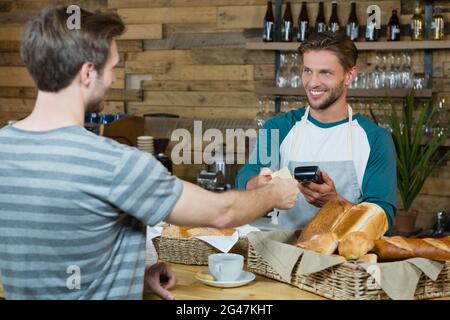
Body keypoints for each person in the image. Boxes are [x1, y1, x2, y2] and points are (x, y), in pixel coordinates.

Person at [0, 6, 300, 300]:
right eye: (112, 68)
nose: (114, 80)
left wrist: (128, 276)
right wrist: (273, 194)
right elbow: (222, 213)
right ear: (88, 72)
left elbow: (49, 253)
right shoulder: (114, 162)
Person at [236, 31, 397, 230]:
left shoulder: (375, 139)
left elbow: (383, 218)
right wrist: (260, 185)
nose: (312, 82)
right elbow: (245, 177)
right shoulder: (277, 128)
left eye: (325, 73)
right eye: (307, 71)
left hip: (349, 257)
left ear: (349, 76)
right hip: (287, 252)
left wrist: (335, 202)